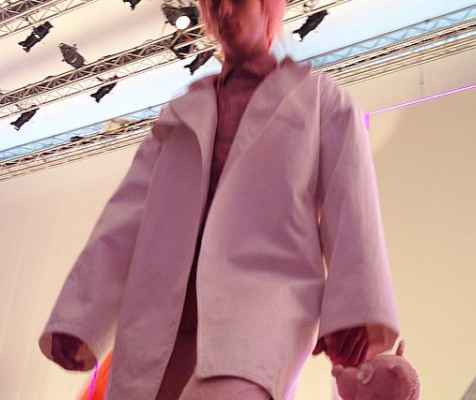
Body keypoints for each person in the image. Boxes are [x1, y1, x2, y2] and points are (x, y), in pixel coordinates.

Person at [39, 0, 400, 398]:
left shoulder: (320, 101)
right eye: (212, 3)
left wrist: (355, 312)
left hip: (261, 310)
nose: (224, 11)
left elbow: (352, 206)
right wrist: (79, 318)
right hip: (159, 317)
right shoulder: (178, 117)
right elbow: (125, 218)